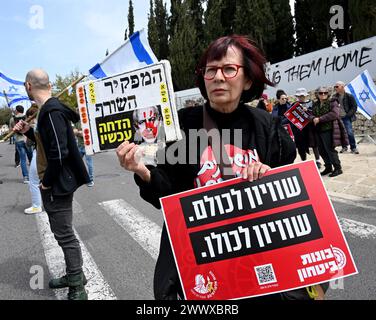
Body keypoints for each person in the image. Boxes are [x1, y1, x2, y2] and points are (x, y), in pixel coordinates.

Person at [116, 35, 326, 300]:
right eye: (210, 70)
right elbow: (166, 196)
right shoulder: (181, 127)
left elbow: (287, 200)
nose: (218, 77)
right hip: (199, 265)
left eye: (229, 69)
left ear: (248, 79)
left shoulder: (267, 128)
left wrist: (268, 178)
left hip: (257, 261)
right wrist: (142, 171)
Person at [13, 69, 90, 300]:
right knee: (60, 232)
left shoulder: (51, 112)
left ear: (28, 85)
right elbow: (47, 144)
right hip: (54, 183)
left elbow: (59, 153)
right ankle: (73, 275)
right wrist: (29, 132)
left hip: (57, 184)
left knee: (65, 234)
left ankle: (77, 286)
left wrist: (46, 183)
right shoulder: (47, 111)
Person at [311, 87, 348, 177]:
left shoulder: (332, 102)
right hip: (318, 130)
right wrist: (312, 118)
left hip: (328, 130)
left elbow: (334, 114)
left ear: (328, 93)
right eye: (321, 93)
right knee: (322, 150)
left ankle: (338, 168)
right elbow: (311, 114)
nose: (323, 94)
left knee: (330, 150)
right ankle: (328, 167)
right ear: (317, 94)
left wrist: (320, 119)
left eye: (325, 93)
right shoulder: (315, 104)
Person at [293, 88, 322, 168]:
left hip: (310, 127)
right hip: (300, 129)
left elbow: (315, 112)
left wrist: (307, 110)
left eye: (302, 95)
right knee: (301, 145)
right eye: (300, 96)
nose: (301, 97)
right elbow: (292, 116)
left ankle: (318, 160)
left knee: (314, 144)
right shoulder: (294, 104)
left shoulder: (311, 103)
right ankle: (304, 161)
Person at [24, 104, 43, 214]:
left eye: (29, 117)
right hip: (43, 154)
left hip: (40, 154)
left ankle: (36, 205)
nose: (28, 120)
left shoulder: (37, 126)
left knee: (34, 180)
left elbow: (29, 143)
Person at [333, 81, 359, 154]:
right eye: (335, 87)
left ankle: (353, 148)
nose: (335, 88)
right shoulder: (334, 97)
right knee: (341, 133)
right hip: (338, 118)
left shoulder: (349, 96)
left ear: (342, 87)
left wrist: (348, 115)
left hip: (346, 117)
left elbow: (354, 107)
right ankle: (344, 147)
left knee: (349, 132)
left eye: (337, 86)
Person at [9, 105, 32, 183]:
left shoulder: (12, 119)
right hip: (27, 139)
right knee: (31, 159)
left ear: (17, 110)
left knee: (22, 159)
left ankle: (26, 177)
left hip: (18, 140)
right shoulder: (27, 117)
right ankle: (35, 176)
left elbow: (10, 131)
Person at [73, 119, 94, 187]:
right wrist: (80, 132)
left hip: (87, 146)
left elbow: (86, 133)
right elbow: (74, 132)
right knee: (76, 162)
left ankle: (90, 180)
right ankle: (79, 178)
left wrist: (79, 132)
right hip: (79, 146)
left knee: (89, 163)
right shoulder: (77, 122)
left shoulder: (87, 120)